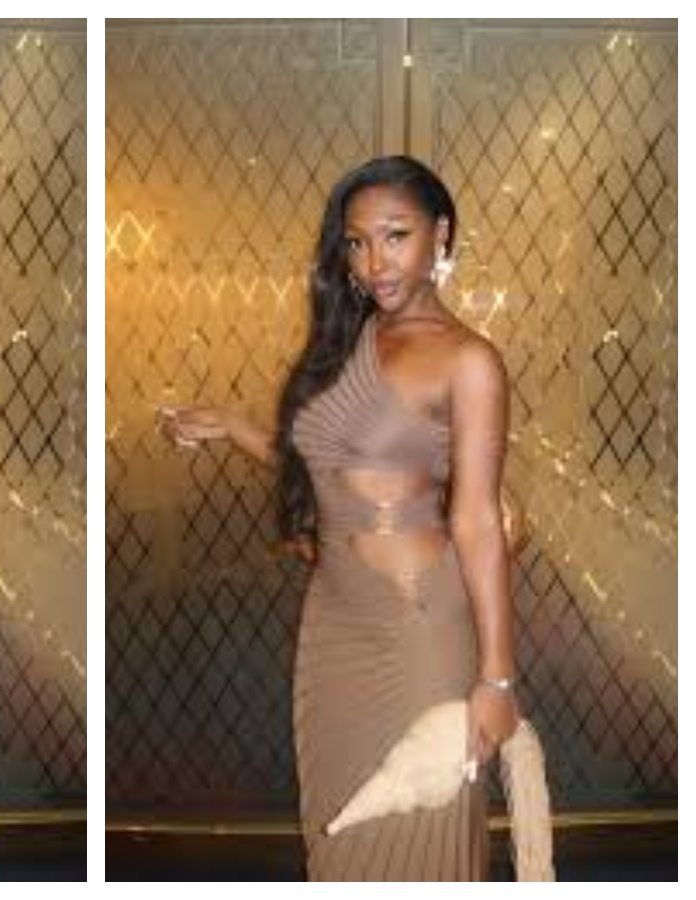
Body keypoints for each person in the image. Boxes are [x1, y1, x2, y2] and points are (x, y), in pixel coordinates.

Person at [159, 155, 519, 880]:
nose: (374, 262)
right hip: (333, 626)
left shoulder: (469, 362)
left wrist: (497, 679)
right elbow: (327, 466)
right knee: (340, 842)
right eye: (357, 243)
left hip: (418, 631)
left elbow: (478, 521)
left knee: (420, 836)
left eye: (396, 235)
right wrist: (231, 425)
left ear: (441, 234)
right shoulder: (350, 338)